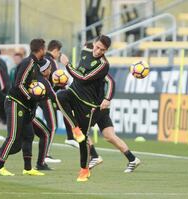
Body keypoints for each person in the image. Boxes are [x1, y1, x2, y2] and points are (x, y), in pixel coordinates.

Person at [57, 35, 140, 182]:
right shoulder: (85, 49)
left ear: (106, 50)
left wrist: (107, 99)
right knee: (60, 96)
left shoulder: (103, 65)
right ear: (93, 43)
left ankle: (91, 161)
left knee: (95, 136)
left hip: (93, 106)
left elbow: (88, 79)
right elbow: (81, 72)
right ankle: (129, 158)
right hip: (79, 96)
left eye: (102, 50)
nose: (97, 51)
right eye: (97, 47)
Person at [0, 39, 47, 176]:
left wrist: (32, 102)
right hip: (15, 102)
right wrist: (30, 96)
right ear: (40, 49)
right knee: (12, 137)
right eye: (44, 48)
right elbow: (19, 84)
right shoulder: (29, 62)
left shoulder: (34, 64)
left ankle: (27, 168)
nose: (44, 51)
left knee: (27, 136)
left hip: (24, 106)